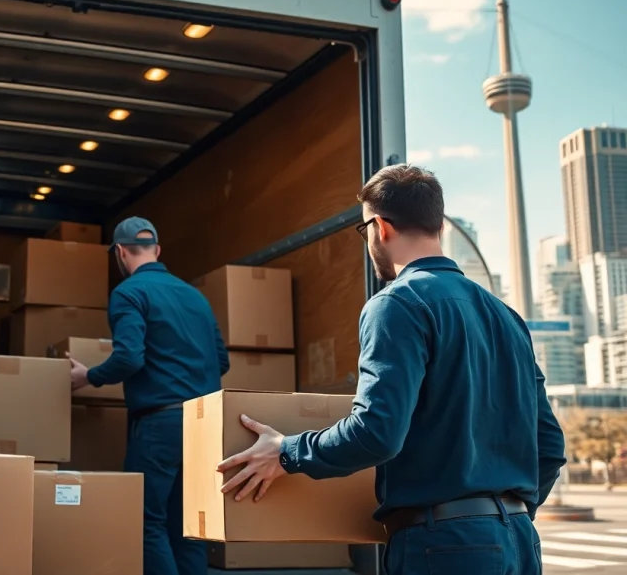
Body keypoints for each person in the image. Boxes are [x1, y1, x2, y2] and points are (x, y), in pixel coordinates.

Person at [215, 165, 566, 574]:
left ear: (380, 227)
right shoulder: (506, 316)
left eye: (364, 232)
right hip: (520, 542)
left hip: (444, 546)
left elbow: (377, 433)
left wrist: (287, 452)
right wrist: (503, 518)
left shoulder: (396, 304)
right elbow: (550, 447)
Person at [68, 216, 230, 575]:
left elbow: (129, 356)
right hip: (205, 424)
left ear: (121, 253)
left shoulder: (129, 293)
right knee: (188, 527)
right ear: (157, 250)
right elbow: (222, 360)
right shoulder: (195, 297)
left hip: (161, 423)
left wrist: (88, 376)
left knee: (146, 522)